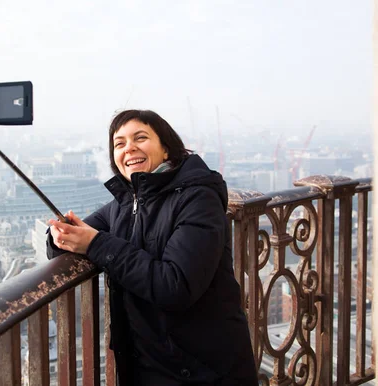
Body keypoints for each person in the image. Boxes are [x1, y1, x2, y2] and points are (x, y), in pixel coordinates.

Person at [47, 109, 258, 385]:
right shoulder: (125, 203)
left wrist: (96, 243)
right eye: (119, 143)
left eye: (140, 138)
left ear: (167, 149)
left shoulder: (198, 198)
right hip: (148, 367)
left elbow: (175, 287)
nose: (129, 148)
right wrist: (59, 234)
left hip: (204, 370)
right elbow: (69, 244)